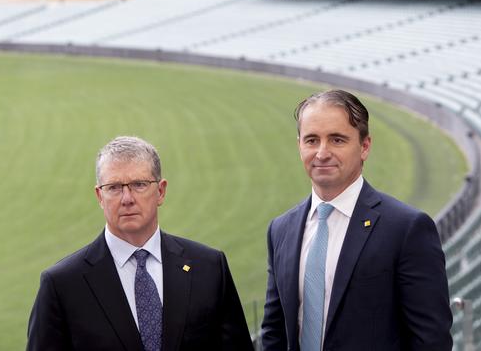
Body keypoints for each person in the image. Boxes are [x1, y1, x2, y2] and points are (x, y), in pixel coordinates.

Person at [261, 90, 453, 351]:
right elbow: (274, 332)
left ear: (364, 147)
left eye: (337, 140)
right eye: (312, 140)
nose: (322, 153)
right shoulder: (281, 230)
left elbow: (431, 340)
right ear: (299, 146)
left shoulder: (406, 229)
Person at [27, 136, 253, 351]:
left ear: (161, 191)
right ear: (99, 196)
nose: (127, 198)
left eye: (139, 184)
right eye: (114, 187)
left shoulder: (210, 268)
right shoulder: (62, 284)